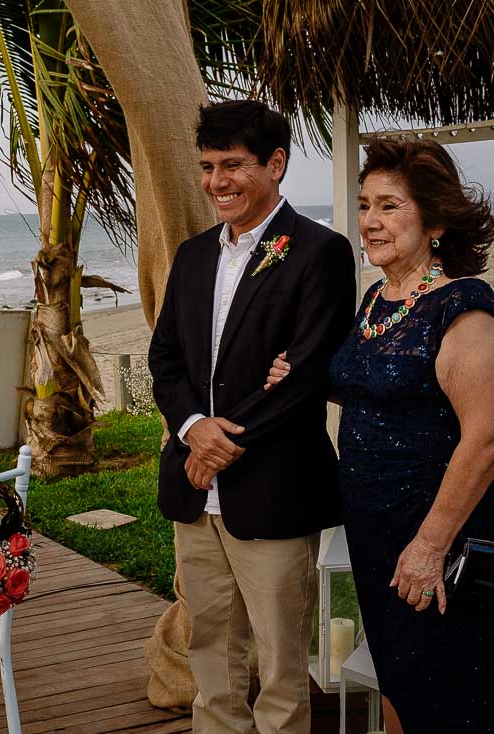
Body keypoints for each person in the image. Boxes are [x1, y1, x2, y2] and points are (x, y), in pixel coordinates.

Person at [265, 138, 494, 734]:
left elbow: (487, 439)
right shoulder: (377, 300)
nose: (369, 221)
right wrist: (309, 377)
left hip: (438, 540)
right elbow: (382, 386)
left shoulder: (464, 309)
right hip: (375, 534)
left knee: (450, 694)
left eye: (390, 206)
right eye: (365, 205)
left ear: (436, 221)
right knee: (397, 676)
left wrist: (429, 548)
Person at [148, 100, 356, 734]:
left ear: (276, 164)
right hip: (195, 489)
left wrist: (220, 443)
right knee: (211, 655)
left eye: (233, 165)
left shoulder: (321, 252)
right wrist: (192, 431)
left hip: (274, 490)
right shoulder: (191, 256)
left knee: (281, 668)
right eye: (208, 167)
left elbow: (308, 374)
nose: (218, 182)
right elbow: (166, 359)